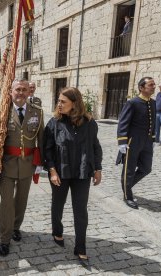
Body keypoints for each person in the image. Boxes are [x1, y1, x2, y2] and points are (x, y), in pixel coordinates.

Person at [43, 87, 102, 267]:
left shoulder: (90, 123)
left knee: (80, 210)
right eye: (58, 101)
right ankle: (57, 231)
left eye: (63, 102)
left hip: (83, 173)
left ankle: (81, 247)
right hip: (60, 172)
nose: (59, 104)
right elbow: (47, 149)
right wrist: (52, 171)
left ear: (74, 104)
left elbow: (95, 146)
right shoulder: (54, 123)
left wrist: (97, 168)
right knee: (58, 204)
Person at [0, 79, 44, 257]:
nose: (21, 92)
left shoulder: (37, 112)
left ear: (29, 92)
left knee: (21, 200)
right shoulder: (3, 111)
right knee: (7, 202)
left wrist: (41, 163)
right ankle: (5, 238)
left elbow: (42, 139)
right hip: (6, 164)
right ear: (11, 91)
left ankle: (16, 226)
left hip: (27, 164)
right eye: (18, 89)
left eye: (24, 90)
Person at [116, 77, 156, 209]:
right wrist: (122, 141)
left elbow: (153, 122)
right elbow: (123, 122)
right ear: (141, 88)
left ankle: (126, 186)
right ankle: (127, 195)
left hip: (147, 141)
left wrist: (153, 137)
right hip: (133, 141)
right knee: (129, 170)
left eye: (154, 84)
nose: (153, 87)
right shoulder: (132, 103)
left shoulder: (153, 103)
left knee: (146, 168)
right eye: (150, 85)